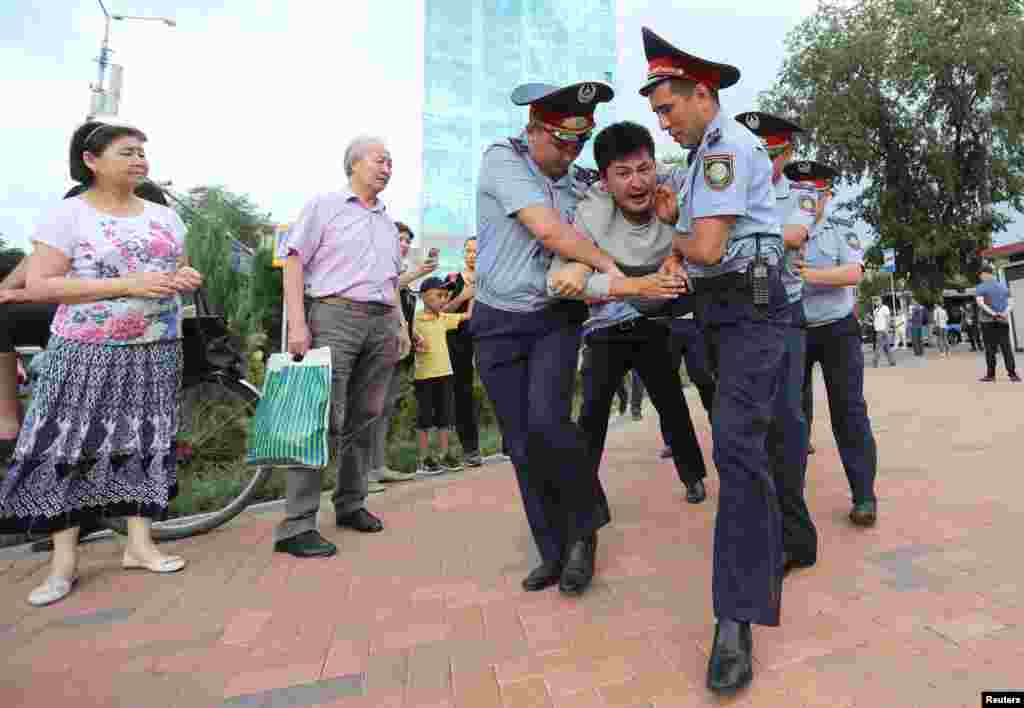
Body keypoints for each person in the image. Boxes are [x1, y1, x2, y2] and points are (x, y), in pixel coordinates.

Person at [640, 27, 789, 694]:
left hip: (750, 309)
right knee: (746, 447)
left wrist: (663, 234)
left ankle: (737, 619)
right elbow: (697, 249)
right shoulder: (705, 156)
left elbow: (703, 247)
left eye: (668, 108)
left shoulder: (725, 147)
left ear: (702, 95)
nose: (663, 123)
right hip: (722, 310)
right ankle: (779, 548)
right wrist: (677, 242)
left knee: (736, 450)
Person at [0, 121, 202, 606]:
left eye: (142, 153)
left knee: (144, 440)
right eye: (127, 152)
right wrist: (126, 285)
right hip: (86, 347)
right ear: (91, 160)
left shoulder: (164, 217)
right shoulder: (67, 215)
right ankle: (63, 564)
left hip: (156, 345)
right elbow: (42, 285)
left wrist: (184, 277)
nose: (139, 160)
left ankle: (139, 544)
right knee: (69, 447)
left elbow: (175, 268)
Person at [472, 80, 621, 598]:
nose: (570, 152)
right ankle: (551, 549)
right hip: (496, 320)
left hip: (554, 317)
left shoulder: (582, 182)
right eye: (560, 141)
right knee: (520, 443)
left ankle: (583, 534)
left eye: (579, 143)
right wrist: (602, 261)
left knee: (549, 422)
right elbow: (551, 232)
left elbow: (611, 220)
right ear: (532, 129)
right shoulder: (503, 161)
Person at [545, 120, 706, 503]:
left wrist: (677, 254)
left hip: (656, 321)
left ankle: (693, 476)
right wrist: (594, 272)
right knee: (593, 412)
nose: (637, 183)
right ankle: (581, 499)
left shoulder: (678, 187)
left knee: (671, 401)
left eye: (643, 169)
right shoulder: (591, 211)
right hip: (606, 323)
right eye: (622, 174)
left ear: (656, 166)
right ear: (604, 180)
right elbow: (563, 279)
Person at [274, 135, 410, 559]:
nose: (387, 167)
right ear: (353, 165)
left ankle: (351, 503)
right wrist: (298, 322)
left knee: (365, 417)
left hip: (381, 322)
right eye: (379, 160)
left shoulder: (388, 222)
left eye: (391, 162)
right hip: (334, 317)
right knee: (318, 417)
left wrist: (400, 325)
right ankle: (296, 526)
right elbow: (293, 259)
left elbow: (390, 282)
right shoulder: (325, 205)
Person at [734, 112, 818, 580]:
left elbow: (792, 236)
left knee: (786, 423)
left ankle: (795, 537)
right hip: (739, 315)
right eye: (757, 152)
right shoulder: (736, 191)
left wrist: (728, 235)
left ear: (786, 154)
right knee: (752, 426)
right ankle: (764, 524)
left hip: (782, 314)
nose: (763, 161)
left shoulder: (802, 197)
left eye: (771, 153)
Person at [788, 162, 879, 529]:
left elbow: (853, 273)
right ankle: (790, 503)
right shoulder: (781, 230)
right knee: (793, 416)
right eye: (800, 193)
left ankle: (863, 496)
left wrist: (807, 275)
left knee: (849, 411)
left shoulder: (841, 230)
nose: (808, 200)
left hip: (838, 330)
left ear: (827, 196)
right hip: (795, 330)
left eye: (816, 193)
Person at [364, 222, 434, 491]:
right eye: (400, 238)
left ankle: (378, 466)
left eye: (407, 240)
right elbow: (387, 286)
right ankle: (362, 474)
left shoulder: (400, 274)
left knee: (385, 409)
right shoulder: (380, 264)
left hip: (399, 349)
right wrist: (418, 272)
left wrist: (412, 333)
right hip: (379, 345)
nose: (403, 244)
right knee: (370, 409)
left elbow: (400, 307)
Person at [412, 276, 470, 474]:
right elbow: (406, 331)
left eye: (446, 296)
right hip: (423, 377)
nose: (443, 300)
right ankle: (424, 458)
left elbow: (467, 316)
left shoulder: (443, 318)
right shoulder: (415, 318)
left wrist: (474, 295)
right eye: (439, 295)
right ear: (424, 297)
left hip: (446, 374)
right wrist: (415, 339)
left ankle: (444, 455)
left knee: (446, 417)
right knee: (425, 418)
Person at [443, 237, 483, 467]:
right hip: (459, 340)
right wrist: (463, 296)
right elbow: (441, 309)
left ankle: (512, 444)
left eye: (476, 252)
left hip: (488, 336)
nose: (471, 256)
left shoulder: (493, 277)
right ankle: (470, 449)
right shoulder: (452, 280)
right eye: (467, 251)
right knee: (462, 392)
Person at [976, 263, 1019, 382]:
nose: (980, 277)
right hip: (1003, 321)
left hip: (987, 322)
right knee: (1006, 348)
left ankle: (991, 375)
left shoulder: (981, 287)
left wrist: (993, 313)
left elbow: (980, 303)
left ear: (985, 274)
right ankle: (1012, 374)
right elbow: (1011, 304)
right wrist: (1004, 313)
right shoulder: (1003, 287)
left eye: (981, 275)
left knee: (990, 349)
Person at [872, 296, 896, 367]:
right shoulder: (875, 310)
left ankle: (875, 361)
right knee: (886, 347)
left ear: (881, 301)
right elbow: (876, 321)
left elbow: (888, 318)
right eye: (875, 301)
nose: (876, 302)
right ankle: (892, 361)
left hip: (883, 330)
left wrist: (887, 328)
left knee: (878, 347)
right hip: (878, 330)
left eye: (877, 300)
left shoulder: (885, 308)